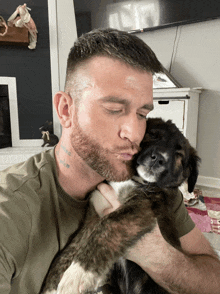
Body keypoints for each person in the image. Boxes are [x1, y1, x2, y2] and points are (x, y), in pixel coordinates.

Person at [0, 28, 219, 294]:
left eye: (142, 114)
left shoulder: (157, 190)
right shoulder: (11, 208)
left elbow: (213, 279)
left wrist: (158, 256)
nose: (133, 132)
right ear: (66, 110)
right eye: (114, 109)